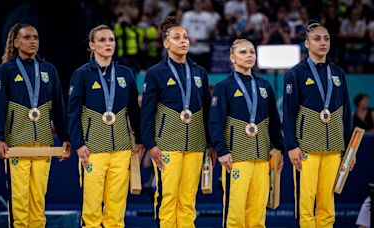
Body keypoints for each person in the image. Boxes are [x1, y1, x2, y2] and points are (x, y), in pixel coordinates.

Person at [0, 23, 71, 228]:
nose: (33, 41)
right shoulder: (5, 70)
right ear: (16, 42)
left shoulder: (48, 70)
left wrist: (64, 137)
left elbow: (59, 108)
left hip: (44, 144)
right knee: (19, 202)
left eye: (35, 37)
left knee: (38, 201)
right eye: (27, 37)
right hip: (16, 145)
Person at [67, 24, 143, 228]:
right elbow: (72, 113)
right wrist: (78, 144)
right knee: (92, 207)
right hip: (92, 149)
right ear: (92, 45)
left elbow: (133, 111)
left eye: (111, 40)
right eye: (102, 40)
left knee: (116, 208)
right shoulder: (82, 74)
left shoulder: (126, 73)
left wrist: (141, 140)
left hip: (121, 148)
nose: (108, 43)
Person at [141, 16, 212, 227]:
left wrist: (210, 144)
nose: (184, 41)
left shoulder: (199, 72)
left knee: (188, 199)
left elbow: (207, 110)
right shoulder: (155, 73)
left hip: (196, 146)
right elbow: (147, 112)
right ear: (165, 43)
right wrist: (150, 144)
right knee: (167, 197)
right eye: (177, 37)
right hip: (167, 145)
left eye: (186, 37)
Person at [282, 22, 354, 228]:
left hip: (334, 150)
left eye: (326, 38)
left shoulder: (338, 73)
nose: (323, 42)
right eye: (317, 39)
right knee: (305, 205)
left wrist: (350, 149)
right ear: (307, 43)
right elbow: (288, 113)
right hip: (306, 149)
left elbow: (347, 113)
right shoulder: (295, 74)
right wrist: (292, 145)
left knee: (327, 205)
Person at [209, 39, 284, 228]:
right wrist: (222, 150)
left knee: (258, 214)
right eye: (243, 52)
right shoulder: (223, 86)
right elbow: (215, 122)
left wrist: (278, 149)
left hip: (263, 159)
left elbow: (274, 122)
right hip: (236, 157)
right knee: (235, 214)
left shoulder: (265, 86)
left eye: (252, 52)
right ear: (232, 57)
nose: (249, 55)